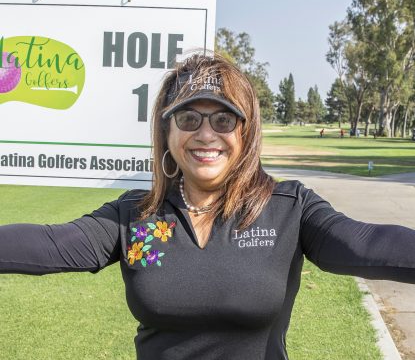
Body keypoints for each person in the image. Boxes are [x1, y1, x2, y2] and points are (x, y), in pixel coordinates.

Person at [1, 53, 415, 360]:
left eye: (223, 120)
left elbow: (366, 244)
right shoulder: (136, 214)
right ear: (167, 130)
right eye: (188, 118)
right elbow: (51, 244)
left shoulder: (288, 207)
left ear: (246, 132)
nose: (206, 134)